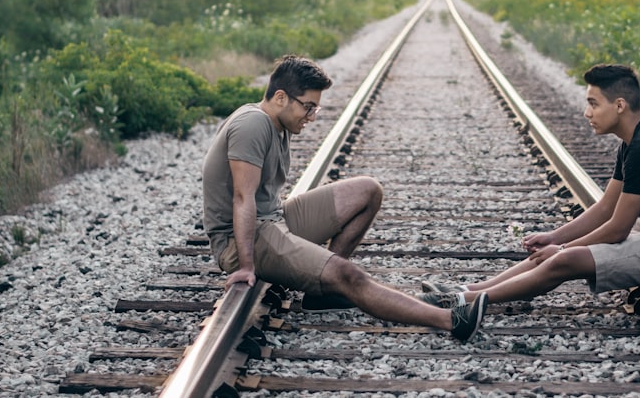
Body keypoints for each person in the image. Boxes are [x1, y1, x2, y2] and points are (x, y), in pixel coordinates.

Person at [202, 54, 487, 342]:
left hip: (273, 220)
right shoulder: (253, 124)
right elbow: (242, 197)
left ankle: (321, 293)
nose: (312, 117)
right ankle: (452, 320)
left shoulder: (277, 124)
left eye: (316, 108)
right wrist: (247, 266)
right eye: (308, 107)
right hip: (239, 241)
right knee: (347, 274)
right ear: (280, 97)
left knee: (368, 190)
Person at [420, 63, 640, 308]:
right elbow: (606, 208)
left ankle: (467, 300)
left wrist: (561, 249)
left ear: (619, 105)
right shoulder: (634, 142)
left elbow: (618, 228)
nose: (587, 113)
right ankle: (471, 287)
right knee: (558, 252)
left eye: (593, 103)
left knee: (566, 259)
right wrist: (553, 237)